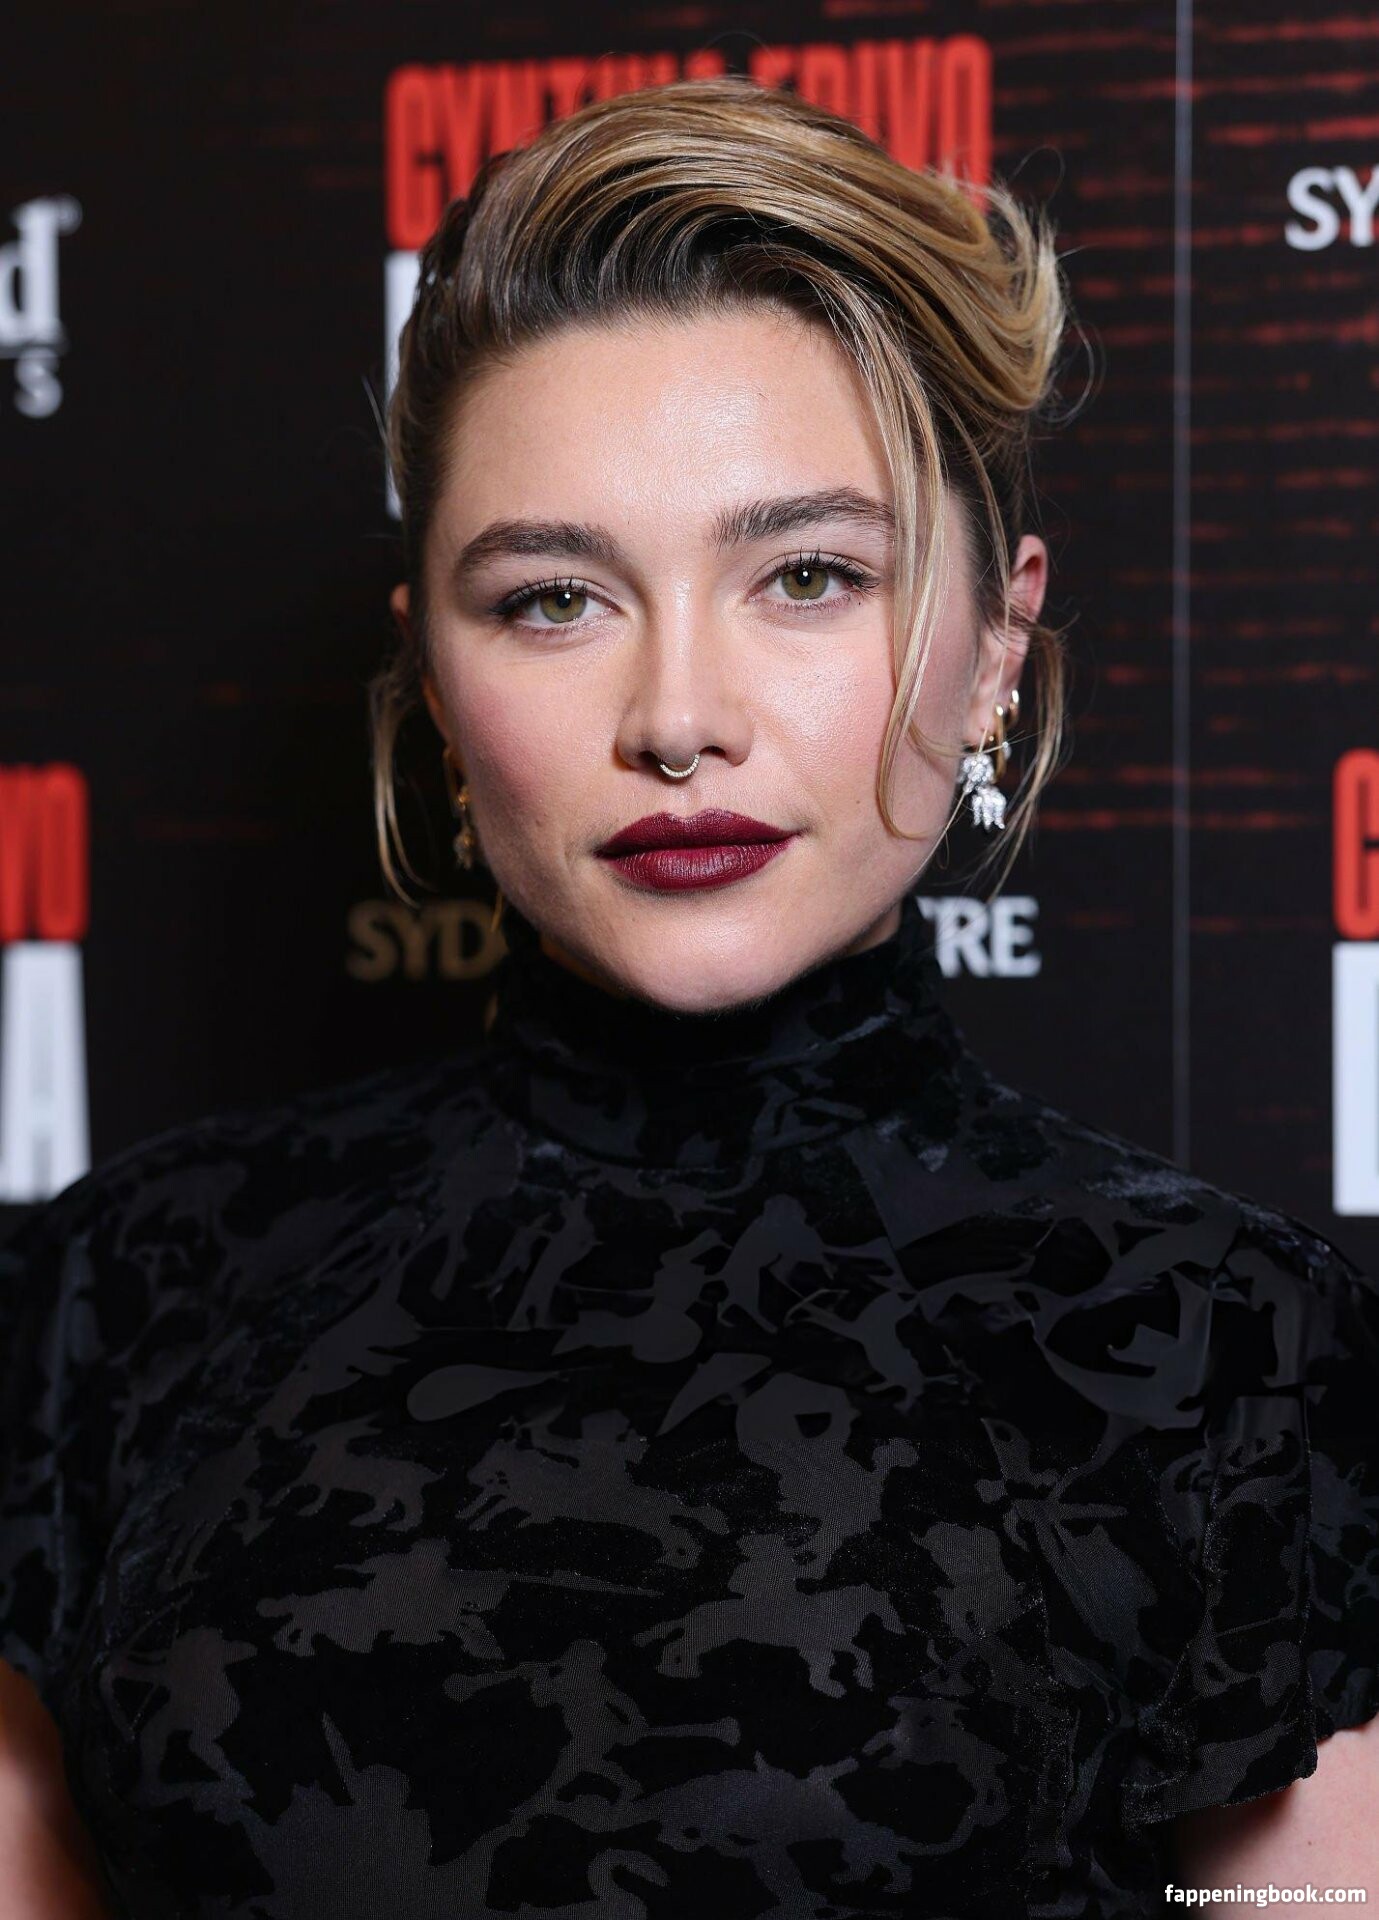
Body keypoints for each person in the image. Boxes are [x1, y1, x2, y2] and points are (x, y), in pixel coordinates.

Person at [2, 73, 1377, 1920]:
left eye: (807, 575)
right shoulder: (121, 1297)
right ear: (433, 684)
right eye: (553, 600)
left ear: (996, 644)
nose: (676, 719)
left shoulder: (1228, 1349)